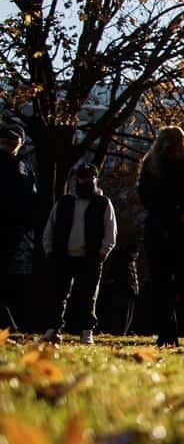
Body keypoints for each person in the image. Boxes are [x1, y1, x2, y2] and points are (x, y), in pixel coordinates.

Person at [138, 126, 184, 346]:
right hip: (172, 231)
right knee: (175, 284)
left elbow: (151, 200)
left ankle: (177, 333)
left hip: (169, 231)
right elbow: (152, 199)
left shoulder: (156, 167)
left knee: (174, 284)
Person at [41, 163, 117, 344]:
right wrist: (49, 249)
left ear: (96, 179)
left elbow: (110, 229)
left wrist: (104, 251)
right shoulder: (64, 202)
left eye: (90, 177)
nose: (86, 180)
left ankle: (86, 332)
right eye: (83, 177)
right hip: (62, 255)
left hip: (91, 256)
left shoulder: (103, 203)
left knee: (88, 295)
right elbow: (50, 227)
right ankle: (53, 329)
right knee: (58, 294)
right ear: (77, 179)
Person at [0, 124, 35, 331]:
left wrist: (27, 224)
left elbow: (32, 198)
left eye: (13, 139)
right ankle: (7, 324)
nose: (8, 142)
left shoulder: (25, 167)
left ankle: (7, 324)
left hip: (13, 230)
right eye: (5, 138)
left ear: (21, 142)